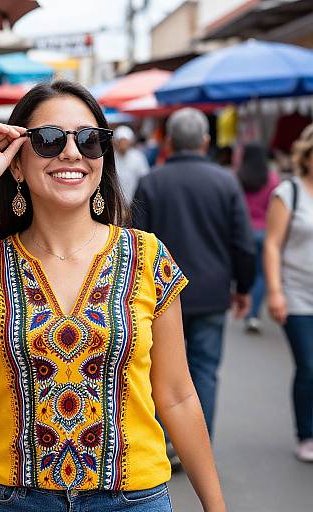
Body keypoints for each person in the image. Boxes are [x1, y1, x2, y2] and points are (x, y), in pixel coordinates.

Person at [0, 81, 226, 511]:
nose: (71, 153)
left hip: (133, 501)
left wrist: (216, 506)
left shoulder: (146, 256)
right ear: (18, 165)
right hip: (16, 501)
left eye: (88, 139)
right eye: (47, 140)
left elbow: (176, 395)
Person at [132, 108, 255, 438]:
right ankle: (198, 445)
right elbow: (243, 244)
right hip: (212, 293)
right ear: (206, 141)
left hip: (158, 296)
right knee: (204, 371)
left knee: (158, 372)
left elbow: (134, 244)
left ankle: (162, 442)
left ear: (168, 142)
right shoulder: (225, 182)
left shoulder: (150, 183)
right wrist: (244, 289)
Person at [264, 124, 313, 463]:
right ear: (307, 157)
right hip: (297, 294)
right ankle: (307, 433)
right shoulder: (289, 193)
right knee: (309, 365)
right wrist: (275, 291)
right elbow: (272, 244)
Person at [237, 143, 280, 333]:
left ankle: (244, 299)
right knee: (262, 275)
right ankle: (253, 314)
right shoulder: (272, 179)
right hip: (265, 231)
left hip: (244, 232)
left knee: (247, 271)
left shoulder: (238, 177)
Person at [113, 125, 150, 203]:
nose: (123, 144)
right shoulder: (112, 158)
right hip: (116, 202)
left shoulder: (138, 157)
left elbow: (144, 177)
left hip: (135, 202)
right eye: (120, 141)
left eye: (125, 141)